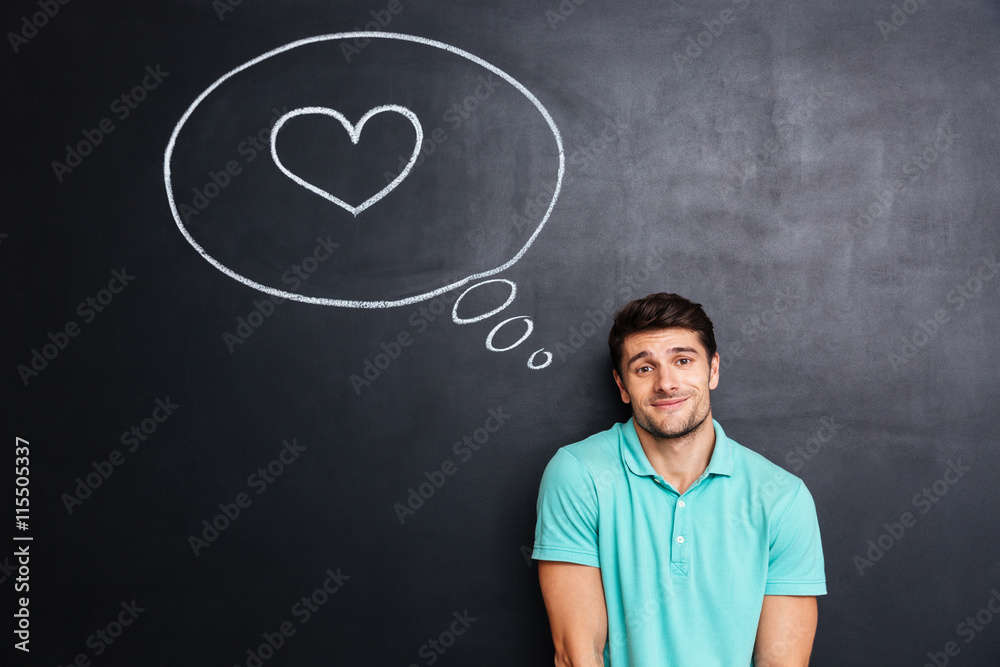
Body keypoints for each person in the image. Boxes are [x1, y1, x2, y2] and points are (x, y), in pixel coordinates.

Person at [532, 292, 826, 666]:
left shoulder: (783, 498)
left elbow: (781, 663)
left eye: (683, 360)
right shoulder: (579, 474)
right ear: (622, 386)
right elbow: (577, 655)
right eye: (644, 368)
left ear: (713, 370)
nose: (666, 383)